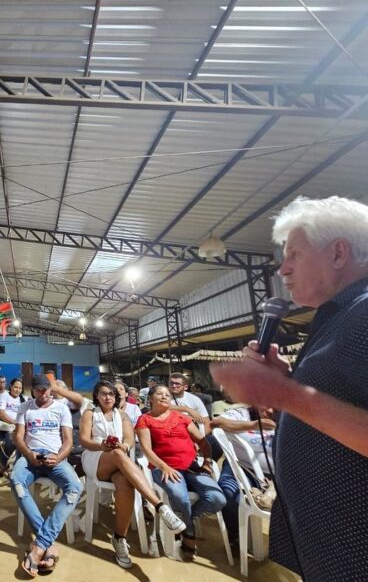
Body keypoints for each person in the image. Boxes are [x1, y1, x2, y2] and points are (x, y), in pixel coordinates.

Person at [210, 196, 368, 580]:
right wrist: (282, 391)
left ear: (338, 253)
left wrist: (285, 393)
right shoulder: (337, 319)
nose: (283, 269)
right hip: (327, 543)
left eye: (294, 254)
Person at [80, 381, 186, 569]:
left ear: (116, 397)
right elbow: (85, 441)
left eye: (111, 394)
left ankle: (119, 538)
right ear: (96, 395)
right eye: (103, 393)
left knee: (125, 483)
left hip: (119, 462)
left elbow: (129, 439)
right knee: (118, 454)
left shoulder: (123, 416)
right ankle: (160, 506)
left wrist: (125, 446)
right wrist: (101, 446)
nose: (108, 397)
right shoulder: (90, 413)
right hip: (95, 458)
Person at [136, 384, 226, 560]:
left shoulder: (181, 418)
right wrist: (164, 467)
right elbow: (147, 450)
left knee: (217, 499)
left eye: (167, 395)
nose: (164, 397)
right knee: (180, 497)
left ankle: (185, 522)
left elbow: (203, 442)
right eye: (160, 394)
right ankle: (189, 534)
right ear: (151, 399)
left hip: (192, 467)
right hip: (165, 468)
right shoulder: (144, 420)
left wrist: (207, 461)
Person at [12, 374, 82, 577]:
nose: (43, 393)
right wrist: (29, 454)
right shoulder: (25, 407)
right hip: (30, 457)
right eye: (38, 390)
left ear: (50, 389)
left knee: (75, 487)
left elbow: (68, 441)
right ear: (32, 390)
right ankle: (48, 545)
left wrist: (58, 457)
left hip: (56, 458)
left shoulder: (61, 408)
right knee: (16, 481)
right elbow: (18, 437)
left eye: (46, 389)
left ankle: (40, 545)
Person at [212, 405, 276, 553]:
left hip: (276, 475)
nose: (270, 410)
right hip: (242, 467)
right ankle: (234, 535)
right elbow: (217, 422)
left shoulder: (287, 419)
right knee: (228, 492)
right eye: (266, 404)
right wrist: (254, 425)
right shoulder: (243, 413)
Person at [0, 377, 26, 475]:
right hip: (3, 425)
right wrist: (14, 422)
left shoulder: (23, 399)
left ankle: (4, 465)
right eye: (15, 387)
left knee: (14, 442)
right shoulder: (4, 396)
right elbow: (1, 413)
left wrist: (18, 425)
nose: (17, 390)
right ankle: (4, 464)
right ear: (11, 387)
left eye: (20, 388)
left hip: (16, 427)